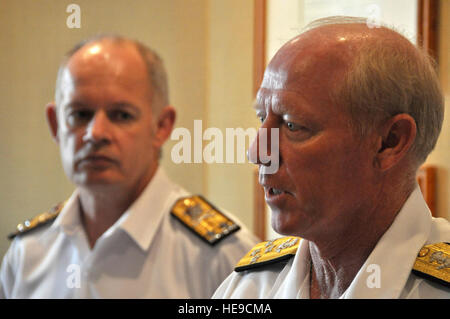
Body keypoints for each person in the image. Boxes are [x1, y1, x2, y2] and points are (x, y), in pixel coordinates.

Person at [0, 35, 258, 298]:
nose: (96, 133)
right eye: (80, 114)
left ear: (161, 126)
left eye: (121, 115)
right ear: (55, 125)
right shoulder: (28, 254)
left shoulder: (219, 255)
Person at [213, 16, 449, 299]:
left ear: (390, 142)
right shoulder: (248, 288)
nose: (258, 152)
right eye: (262, 118)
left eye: (292, 125)